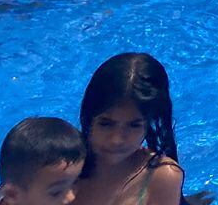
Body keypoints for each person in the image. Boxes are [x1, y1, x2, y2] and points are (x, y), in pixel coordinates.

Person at [72, 53, 191, 205]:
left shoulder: (161, 176)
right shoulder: (62, 164)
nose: (117, 140)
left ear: (150, 123)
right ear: (89, 117)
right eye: (106, 123)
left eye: (134, 125)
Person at [0, 116, 86, 205]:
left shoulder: (21, 193)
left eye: (75, 182)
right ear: (12, 195)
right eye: (56, 192)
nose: (71, 197)